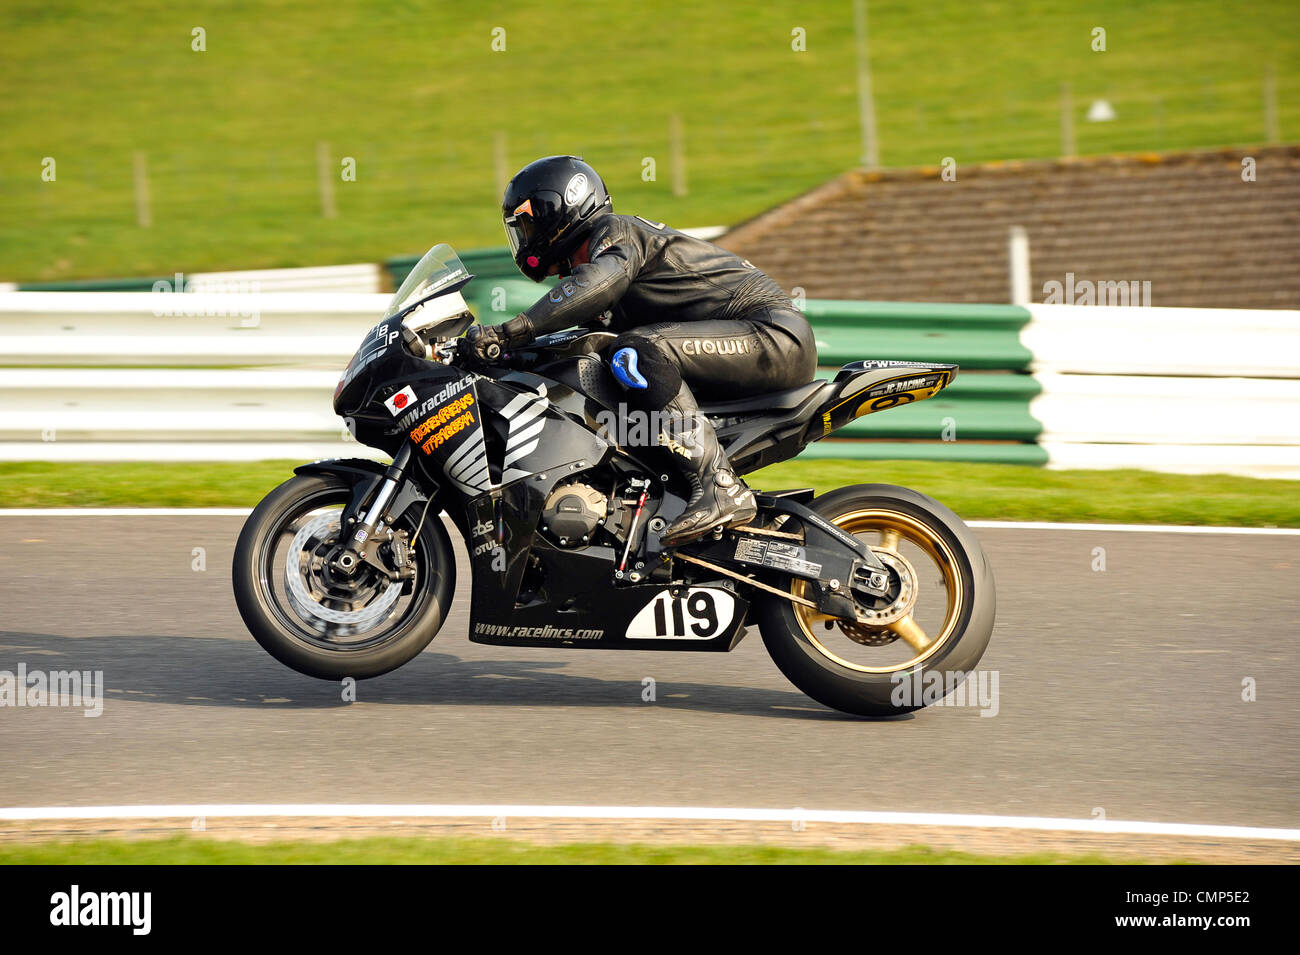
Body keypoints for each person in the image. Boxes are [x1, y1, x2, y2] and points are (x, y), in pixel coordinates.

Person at [465, 155, 817, 546]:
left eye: (528, 223)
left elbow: (596, 284)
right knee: (617, 370)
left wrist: (512, 330)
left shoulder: (615, 234)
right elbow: (577, 344)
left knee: (634, 352)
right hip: (739, 346)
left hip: (771, 334)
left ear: (560, 207)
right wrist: (494, 357)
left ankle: (719, 486)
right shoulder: (601, 276)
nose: (524, 236)